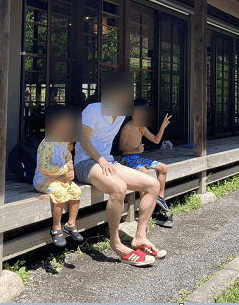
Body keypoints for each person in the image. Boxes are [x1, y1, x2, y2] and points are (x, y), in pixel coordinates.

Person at [74, 72, 166, 266]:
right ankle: (116, 243)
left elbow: (141, 128)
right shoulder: (93, 110)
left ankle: (140, 236)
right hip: (85, 163)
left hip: (107, 162)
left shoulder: (123, 114)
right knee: (119, 187)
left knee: (153, 185)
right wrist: (100, 160)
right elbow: (84, 140)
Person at [34, 108, 85, 247]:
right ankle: (56, 227)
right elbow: (43, 167)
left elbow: (69, 162)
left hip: (61, 178)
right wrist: (64, 169)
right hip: (43, 180)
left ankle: (71, 224)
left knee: (76, 191)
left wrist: (70, 173)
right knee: (59, 192)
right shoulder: (48, 143)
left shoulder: (67, 143)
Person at [119, 99, 173, 227]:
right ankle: (145, 206)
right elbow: (121, 147)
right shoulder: (127, 127)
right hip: (127, 158)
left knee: (163, 167)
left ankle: (160, 197)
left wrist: (162, 127)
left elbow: (156, 140)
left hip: (138, 158)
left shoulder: (142, 126)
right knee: (144, 171)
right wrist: (136, 150)